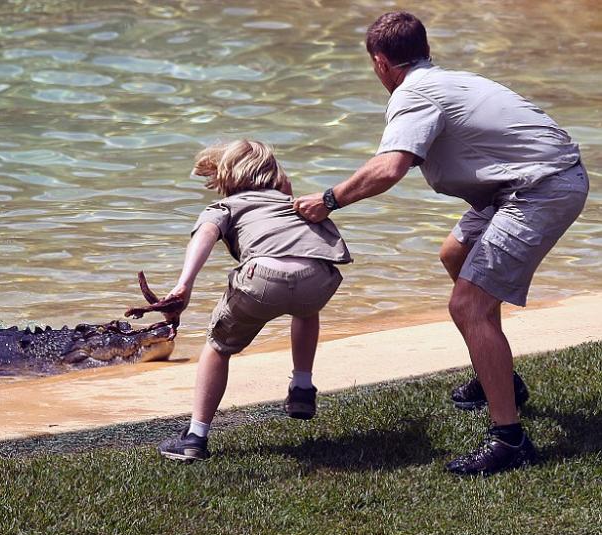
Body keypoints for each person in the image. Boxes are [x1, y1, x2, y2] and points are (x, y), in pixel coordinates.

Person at [294, 11, 589, 475]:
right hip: (526, 182)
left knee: (468, 306)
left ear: (380, 62)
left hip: (540, 188)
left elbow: (389, 168)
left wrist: (328, 201)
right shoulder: (448, 80)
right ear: (424, 50)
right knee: (456, 254)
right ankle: (501, 380)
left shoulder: (413, 94)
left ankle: (510, 441)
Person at [156, 139, 352, 461]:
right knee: (306, 310)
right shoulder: (296, 203)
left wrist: (184, 285)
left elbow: (205, 236)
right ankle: (302, 387)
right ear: (275, 173)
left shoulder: (225, 207)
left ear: (224, 177)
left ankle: (195, 437)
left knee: (217, 347)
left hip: (262, 279)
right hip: (318, 276)